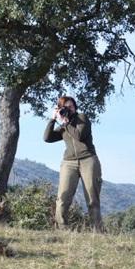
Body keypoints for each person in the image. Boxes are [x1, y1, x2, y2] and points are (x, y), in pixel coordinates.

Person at [44, 96, 103, 231]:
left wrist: (65, 123)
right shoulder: (64, 126)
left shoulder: (82, 118)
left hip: (88, 160)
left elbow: (79, 135)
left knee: (92, 198)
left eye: (71, 107)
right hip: (68, 163)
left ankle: (98, 231)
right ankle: (63, 230)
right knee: (63, 198)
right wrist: (53, 119)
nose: (69, 109)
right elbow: (47, 138)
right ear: (60, 109)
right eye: (66, 107)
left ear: (75, 107)